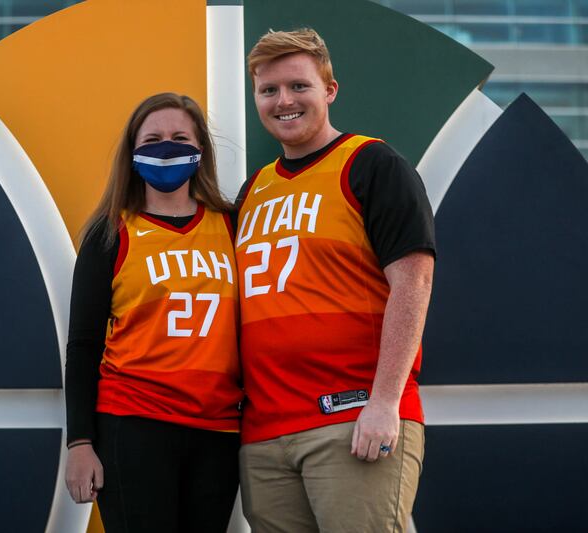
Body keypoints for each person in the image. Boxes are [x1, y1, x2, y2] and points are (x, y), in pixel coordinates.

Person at [235, 29, 436, 532]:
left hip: (350, 420)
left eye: (298, 86)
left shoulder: (372, 164)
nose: (284, 101)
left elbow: (414, 283)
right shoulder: (252, 190)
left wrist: (385, 401)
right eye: (269, 90)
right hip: (265, 435)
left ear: (330, 90)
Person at [64, 93, 242, 533]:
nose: (167, 146)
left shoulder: (233, 225)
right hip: (134, 423)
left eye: (180, 137)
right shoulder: (111, 232)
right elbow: (83, 345)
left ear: (201, 150)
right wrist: (80, 442)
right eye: (154, 138)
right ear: (133, 151)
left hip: (217, 431)